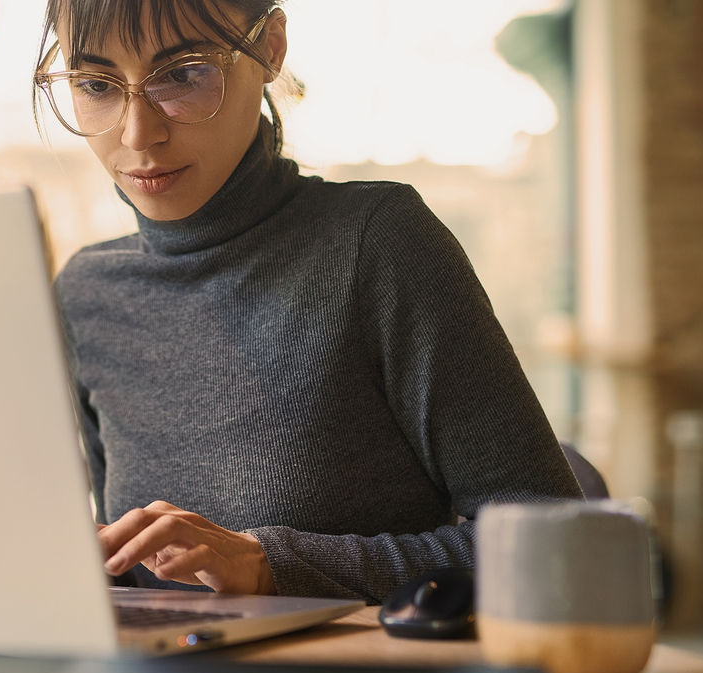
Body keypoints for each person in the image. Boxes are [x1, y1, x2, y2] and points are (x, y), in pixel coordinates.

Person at [33, 0, 584, 603]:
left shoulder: (380, 242)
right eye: (95, 84)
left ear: (270, 47)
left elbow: (555, 546)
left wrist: (274, 567)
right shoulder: (86, 293)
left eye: (185, 73)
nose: (139, 133)